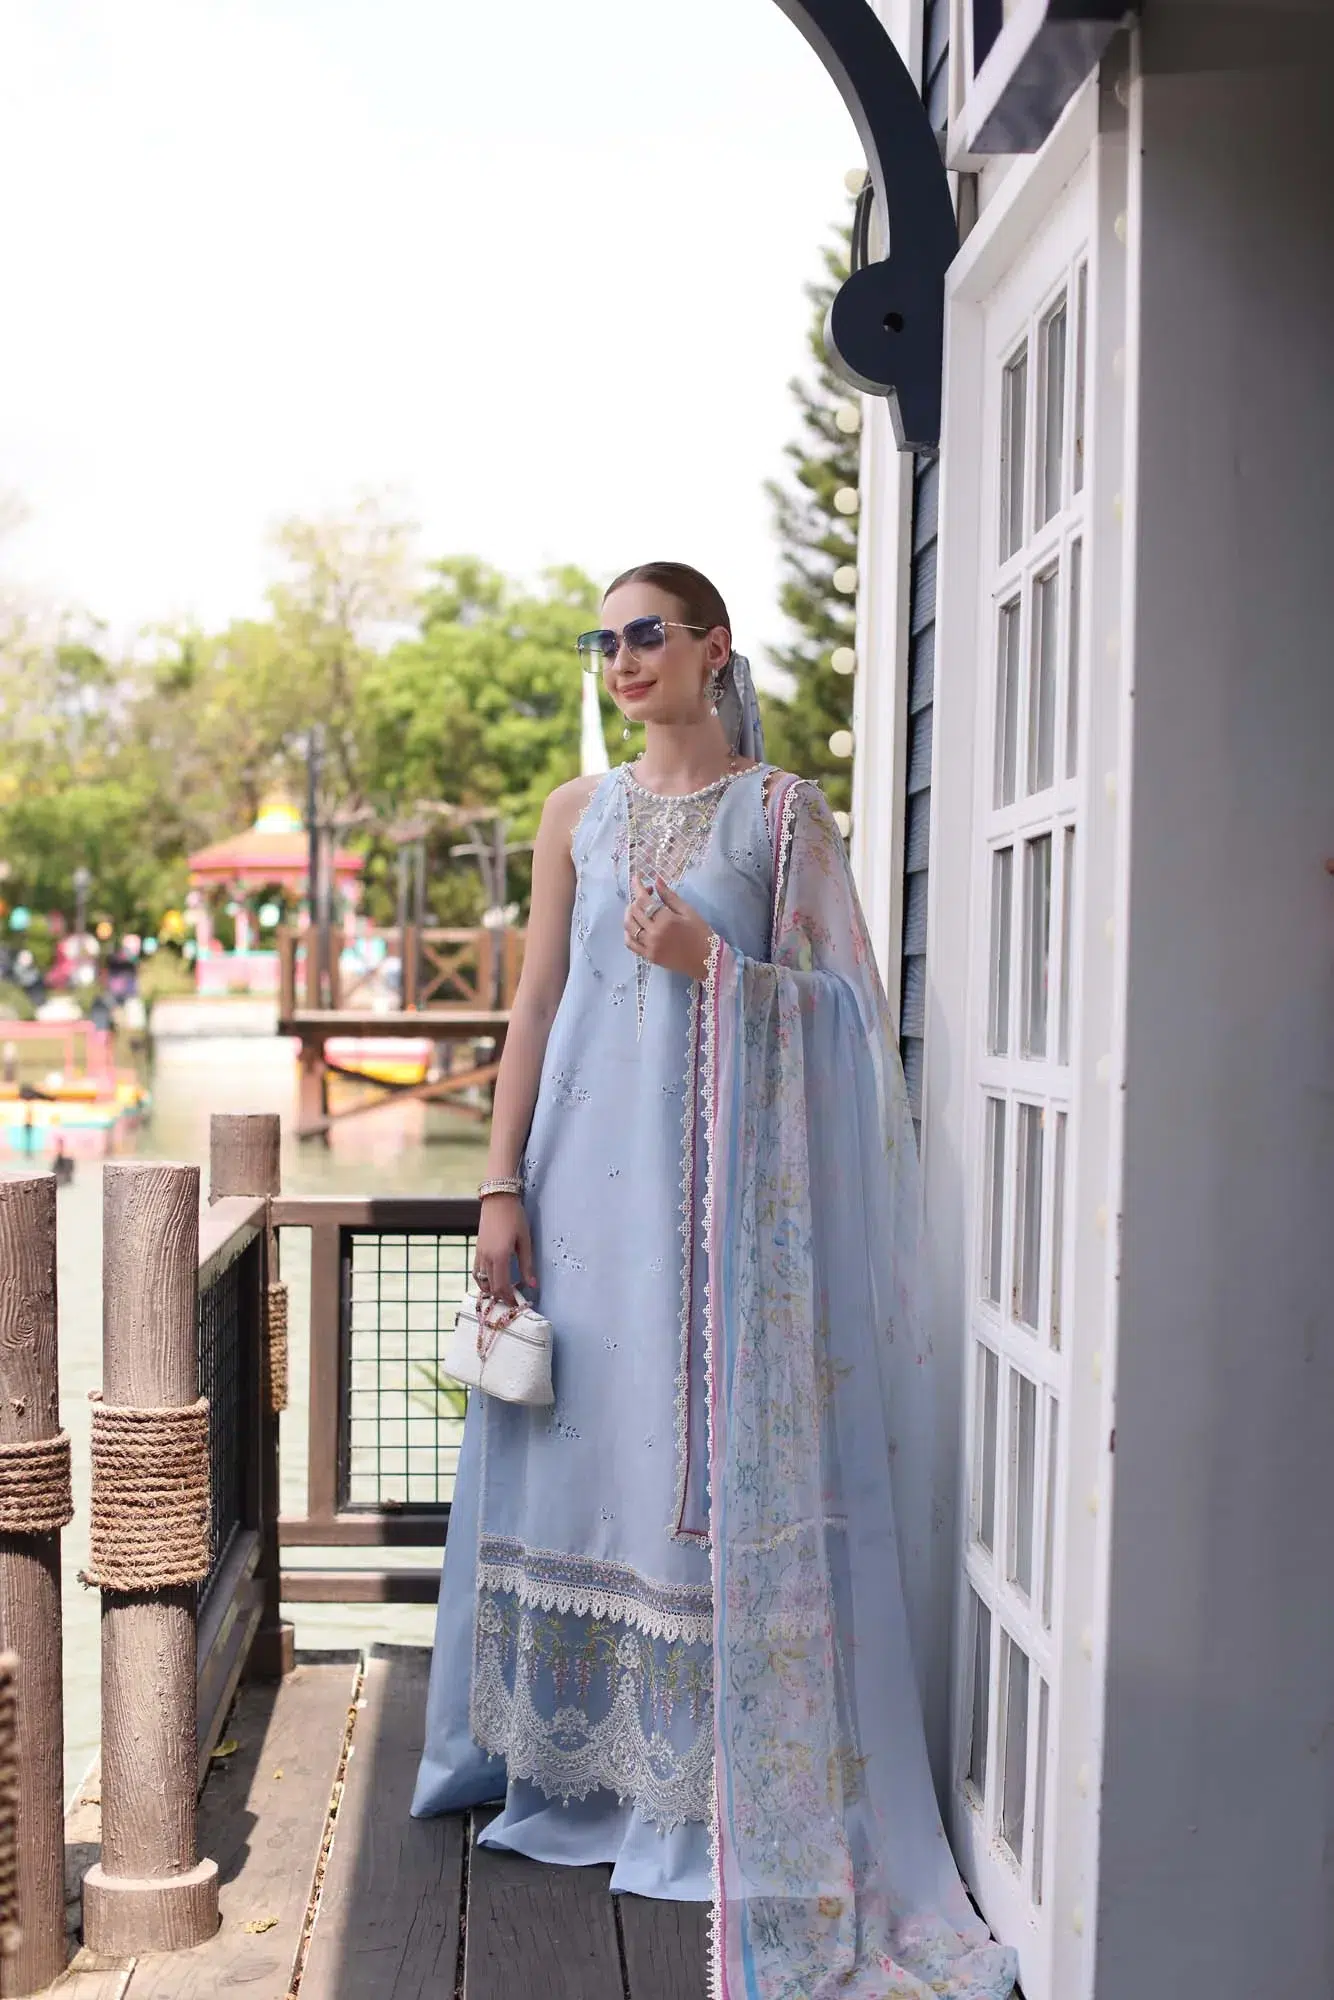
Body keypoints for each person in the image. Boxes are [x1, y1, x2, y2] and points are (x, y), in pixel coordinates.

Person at [413, 562, 1017, 2000]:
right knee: (578, 1460)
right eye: (604, 640)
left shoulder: (783, 815)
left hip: (724, 1218)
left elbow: (852, 1023)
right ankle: (574, 1774)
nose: (622, 660)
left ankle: (699, 1796)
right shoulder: (577, 811)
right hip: (580, 1189)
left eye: (647, 635)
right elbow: (536, 1002)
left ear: (711, 648)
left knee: (691, 1465)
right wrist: (498, 1186)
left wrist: (712, 965)